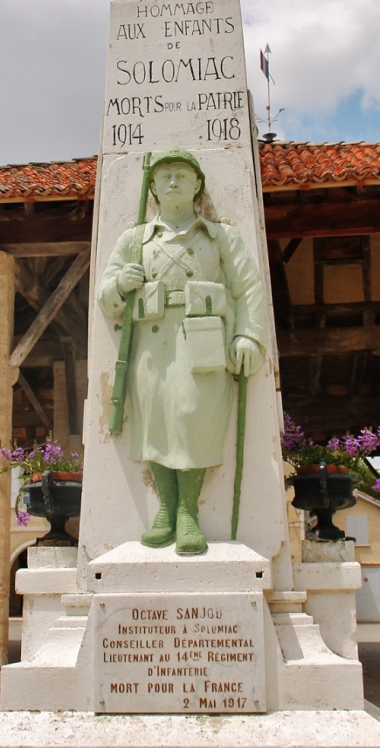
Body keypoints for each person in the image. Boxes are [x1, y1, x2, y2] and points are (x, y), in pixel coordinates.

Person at [98, 148, 268, 555]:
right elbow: (105, 297)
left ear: (197, 185)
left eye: (182, 175)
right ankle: (166, 509)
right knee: (155, 423)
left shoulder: (221, 237)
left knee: (194, 419)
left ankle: (189, 511)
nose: (173, 181)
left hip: (203, 342)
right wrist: (122, 282)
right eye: (164, 176)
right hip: (151, 346)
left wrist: (247, 336)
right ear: (153, 187)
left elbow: (247, 290)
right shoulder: (134, 240)